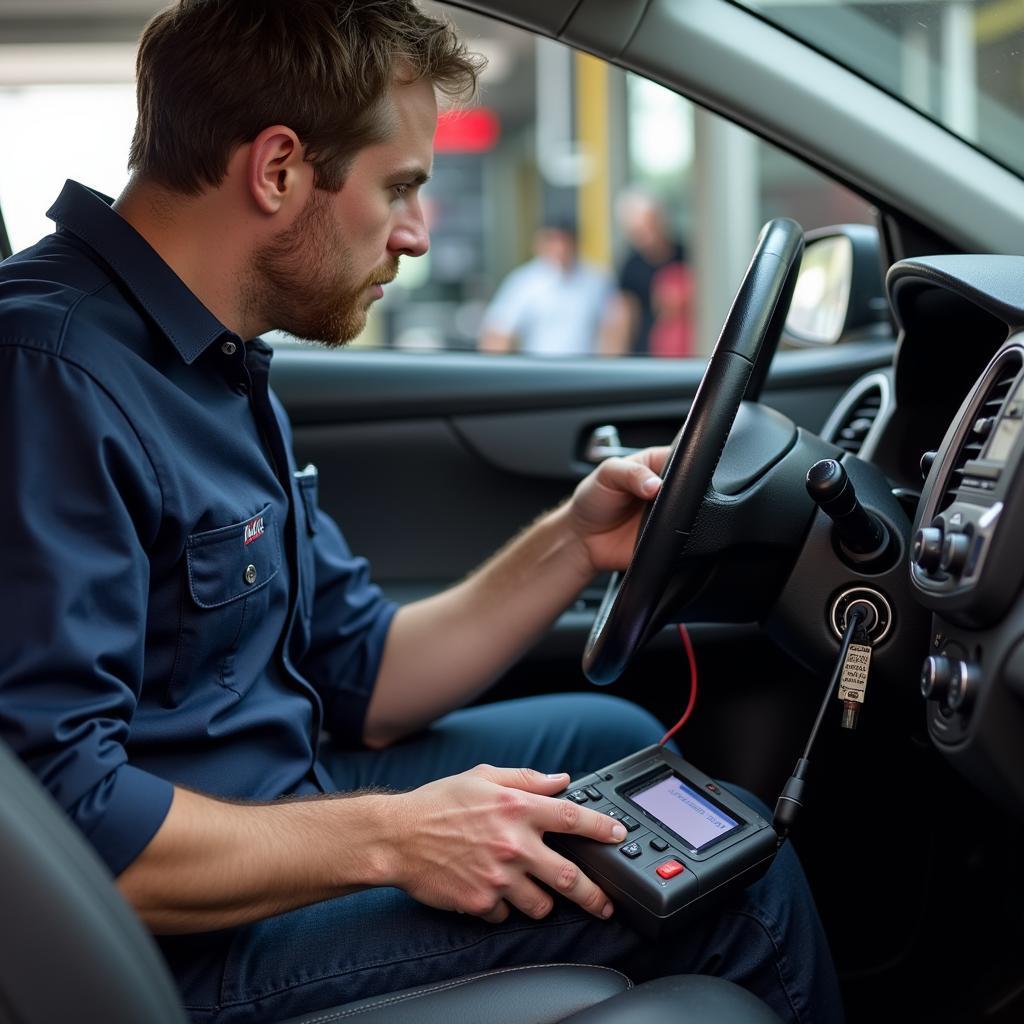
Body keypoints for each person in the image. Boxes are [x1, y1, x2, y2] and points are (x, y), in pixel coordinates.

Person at [0, 3, 843, 1022]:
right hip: (172, 944)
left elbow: (366, 673)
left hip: (282, 801)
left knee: (607, 736)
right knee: (739, 894)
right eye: (399, 187)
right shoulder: (51, 377)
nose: (412, 231)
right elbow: (62, 823)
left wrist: (574, 542)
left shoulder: (218, 363)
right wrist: (394, 836)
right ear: (276, 170)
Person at [478, 221, 615, 356]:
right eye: (552, 241)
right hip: (538, 371)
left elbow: (613, 329)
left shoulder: (597, 281)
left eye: (565, 241)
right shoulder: (524, 282)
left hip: (586, 371)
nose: (560, 248)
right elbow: (498, 330)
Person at [605, 188, 690, 356]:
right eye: (638, 231)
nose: (648, 236)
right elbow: (623, 318)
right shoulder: (631, 266)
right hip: (648, 355)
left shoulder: (687, 255)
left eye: (650, 226)